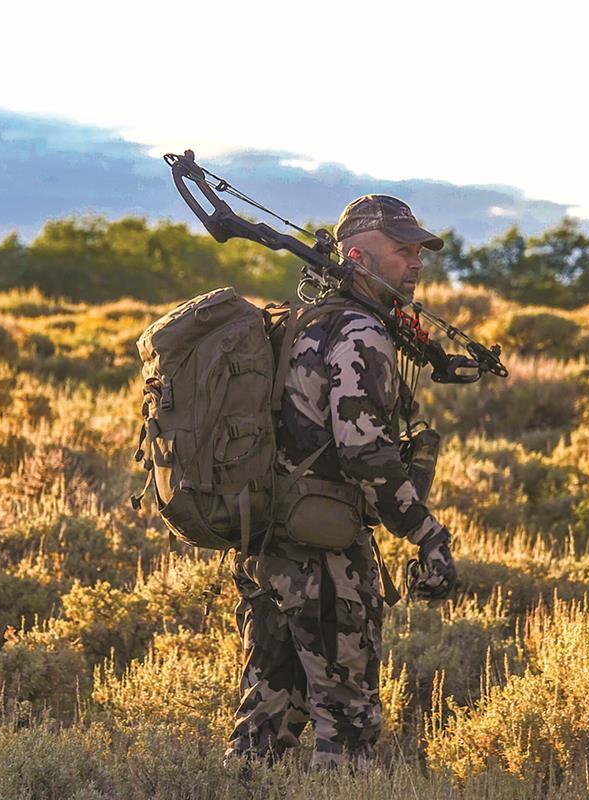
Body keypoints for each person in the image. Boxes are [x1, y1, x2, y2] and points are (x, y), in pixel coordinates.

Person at [224, 195, 457, 770]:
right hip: (325, 564)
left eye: (419, 251)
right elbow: (364, 452)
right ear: (357, 255)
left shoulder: (307, 320)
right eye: (402, 249)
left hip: (270, 548)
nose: (416, 262)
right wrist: (426, 534)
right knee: (347, 726)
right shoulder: (360, 331)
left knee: (264, 722)